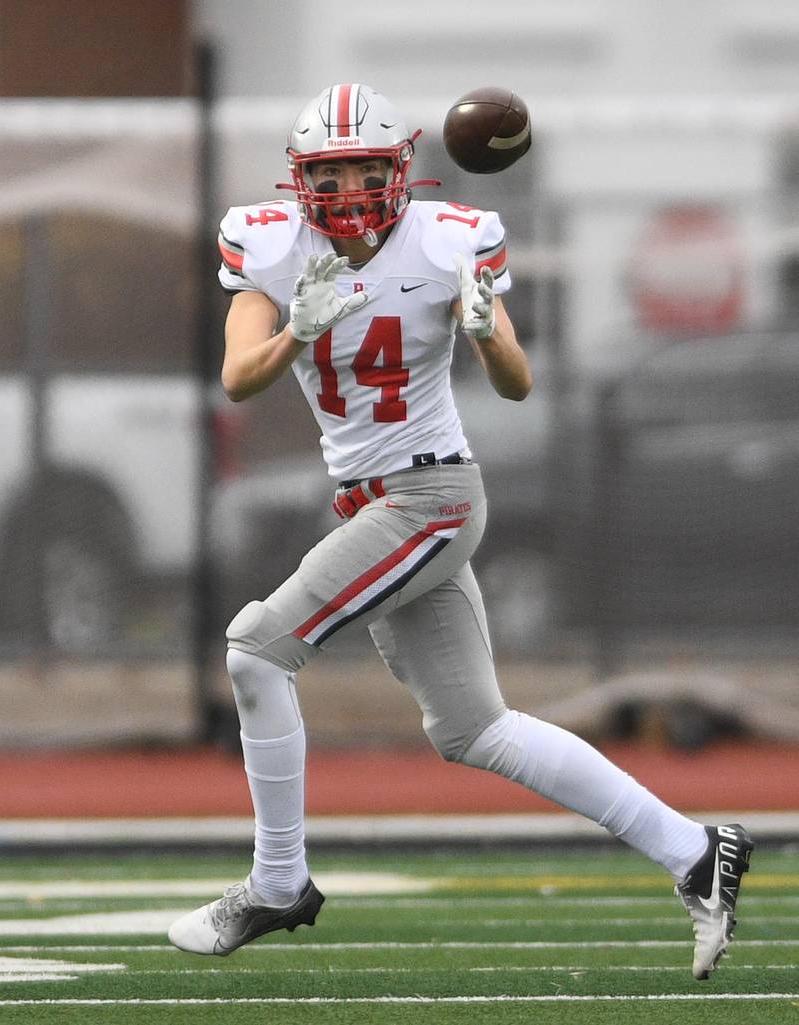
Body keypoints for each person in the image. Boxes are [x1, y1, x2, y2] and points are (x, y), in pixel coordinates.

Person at [167, 83, 753, 979]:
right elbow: (241, 377)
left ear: (400, 169)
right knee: (474, 729)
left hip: (432, 498)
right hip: (372, 503)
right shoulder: (270, 245)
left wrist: (485, 333)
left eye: (366, 165)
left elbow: (516, 382)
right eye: (331, 170)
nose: (351, 185)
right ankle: (695, 852)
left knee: (256, 649)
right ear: (300, 180)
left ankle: (278, 881)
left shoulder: (448, 240)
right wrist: (296, 331)